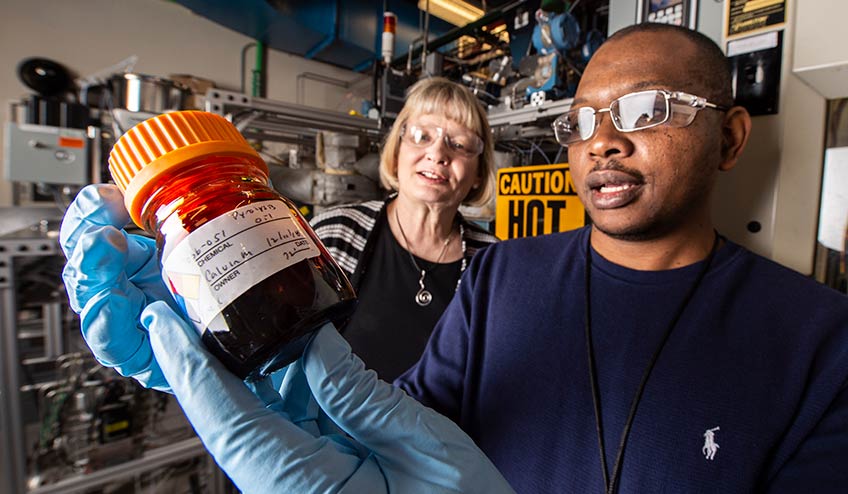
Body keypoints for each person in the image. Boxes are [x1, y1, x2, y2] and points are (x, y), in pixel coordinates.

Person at [59, 23, 848, 494]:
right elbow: (406, 423)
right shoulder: (507, 277)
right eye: (582, 120)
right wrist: (254, 386)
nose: (602, 139)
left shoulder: (821, 340)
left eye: (645, 110)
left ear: (732, 138)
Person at [310, 77, 498, 381]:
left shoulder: (492, 261)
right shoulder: (333, 234)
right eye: (422, 136)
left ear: (478, 172)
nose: (437, 154)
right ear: (397, 152)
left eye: (459, 143)